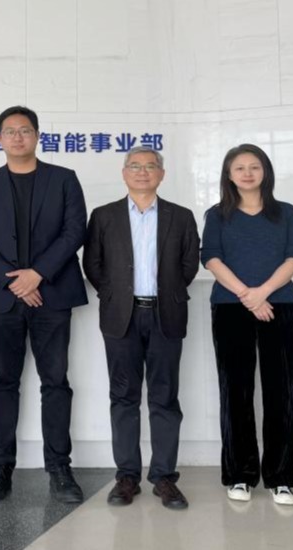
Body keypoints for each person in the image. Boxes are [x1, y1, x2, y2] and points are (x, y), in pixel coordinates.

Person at [0, 105, 89, 504]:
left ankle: (60, 468)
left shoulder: (64, 179)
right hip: (3, 299)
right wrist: (14, 281)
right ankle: (1, 467)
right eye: (10, 131)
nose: (17, 137)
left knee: (56, 382)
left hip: (53, 294)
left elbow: (75, 230)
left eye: (25, 130)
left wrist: (39, 274)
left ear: (37, 136)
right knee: (3, 382)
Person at [83, 146, 199, 509]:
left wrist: (167, 293)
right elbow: (93, 264)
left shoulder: (181, 216)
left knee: (165, 398)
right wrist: (115, 294)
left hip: (166, 315)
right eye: (135, 166)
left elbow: (189, 265)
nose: (143, 171)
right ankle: (127, 477)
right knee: (124, 397)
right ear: (124, 173)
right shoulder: (104, 216)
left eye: (151, 166)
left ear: (162, 174)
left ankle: (164, 477)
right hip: (122, 317)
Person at [200, 144, 293, 506]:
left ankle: (281, 477)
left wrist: (262, 293)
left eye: (254, 166)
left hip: (280, 305)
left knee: (282, 391)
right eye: (239, 168)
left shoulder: (286, 212)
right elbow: (210, 258)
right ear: (229, 175)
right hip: (231, 307)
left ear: (266, 172)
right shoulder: (217, 215)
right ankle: (240, 475)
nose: (247, 173)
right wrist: (248, 296)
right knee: (236, 392)